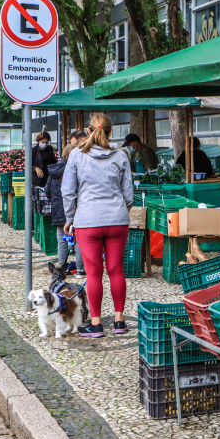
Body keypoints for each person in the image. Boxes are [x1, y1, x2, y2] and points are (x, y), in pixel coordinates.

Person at [62, 114, 134, 338]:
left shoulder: (77, 155)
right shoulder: (121, 155)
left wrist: (70, 218)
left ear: (88, 130)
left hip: (88, 220)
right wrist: (121, 210)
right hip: (117, 219)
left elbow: (68, 191)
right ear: (111, 132)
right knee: (116, 270)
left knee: (93, 273)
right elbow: (129, 192)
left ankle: (96, 324)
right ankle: (120, 320)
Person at [45, 145, 85, 277]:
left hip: (58, 209)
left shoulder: (54, 170)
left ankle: (62, 267)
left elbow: (47, 190)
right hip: (75, 208)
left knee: (62, 239)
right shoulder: (76, 168)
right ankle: (79, 269)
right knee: (79, 239)